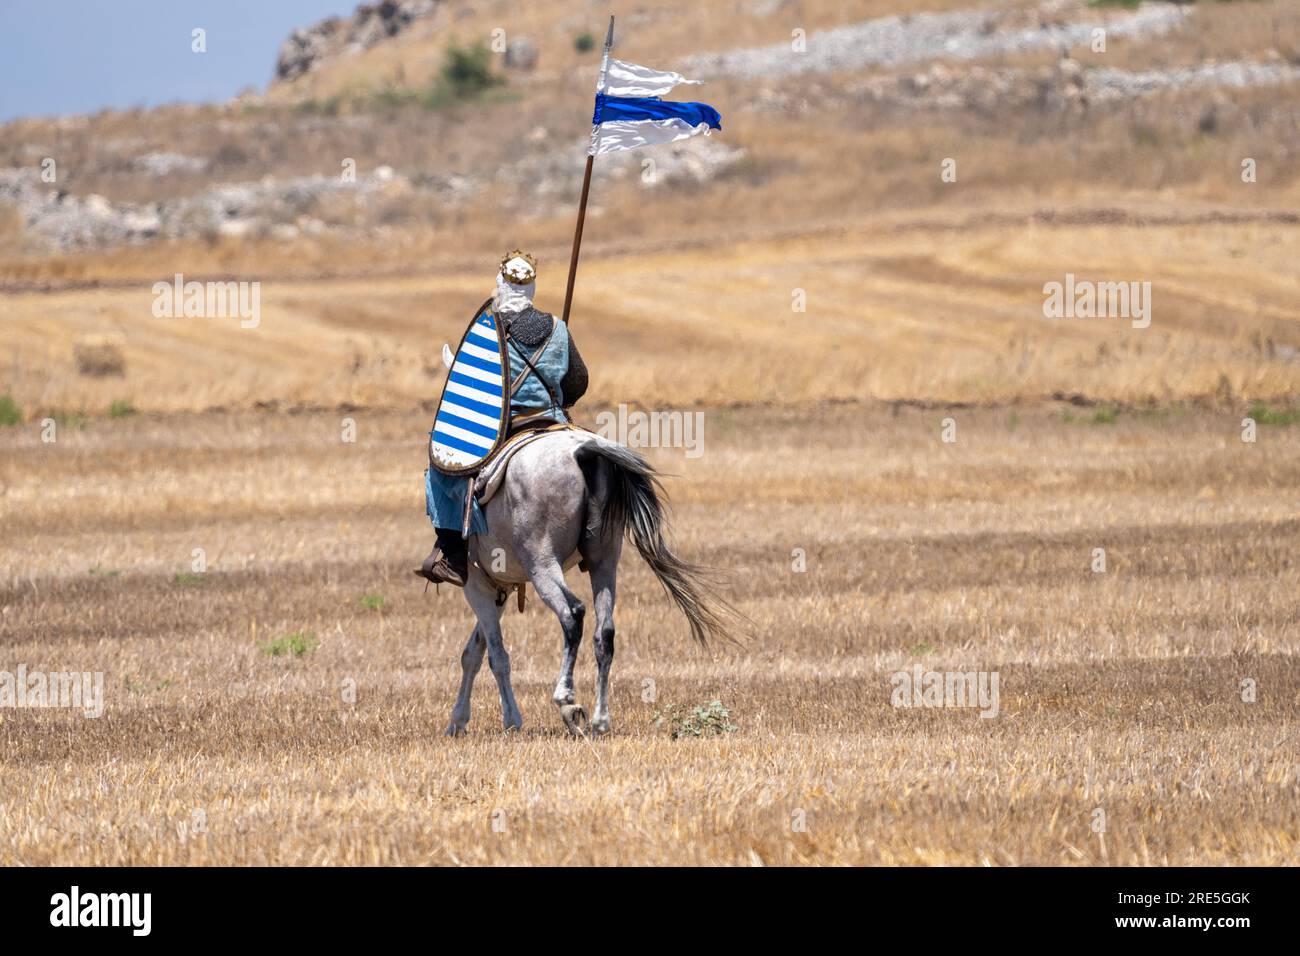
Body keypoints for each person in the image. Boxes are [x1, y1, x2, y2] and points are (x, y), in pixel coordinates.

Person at [415, 250, 589, 587]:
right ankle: (590, 534)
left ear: (500, 284)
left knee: (443, 471)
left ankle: (452, 556)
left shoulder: (490, 332)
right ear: (532, 288)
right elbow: (578, 382)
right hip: (553, 420)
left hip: (503, 428)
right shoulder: (556, 327)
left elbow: (473, 390)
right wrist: (559, 397)